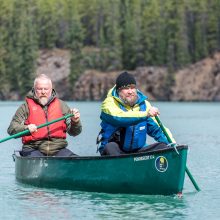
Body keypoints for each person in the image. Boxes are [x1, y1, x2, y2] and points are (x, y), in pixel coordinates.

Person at [97, 71, 175, 156]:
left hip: (138, 152)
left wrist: (173, 145)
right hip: (114, 152)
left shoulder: (145, 105)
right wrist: (145, 114)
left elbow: (158, 130)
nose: (130, 91)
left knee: (164, 146)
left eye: (132, 87)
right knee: (110, 146)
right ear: (118, 90)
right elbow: (119, 118)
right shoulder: (108, 103)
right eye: (126, 88)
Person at [7, 74, 82, 157]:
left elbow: (75, 132)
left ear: (51, 89)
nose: (43, 92)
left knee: (77, 161)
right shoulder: (25, 107)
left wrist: (75, 121)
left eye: (46, 89)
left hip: (58, 149)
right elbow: (11, 129)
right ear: (34, 89)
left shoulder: (62, 105)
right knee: (35, 160)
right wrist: (26, 128)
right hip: (33, 149)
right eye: (39, 89)